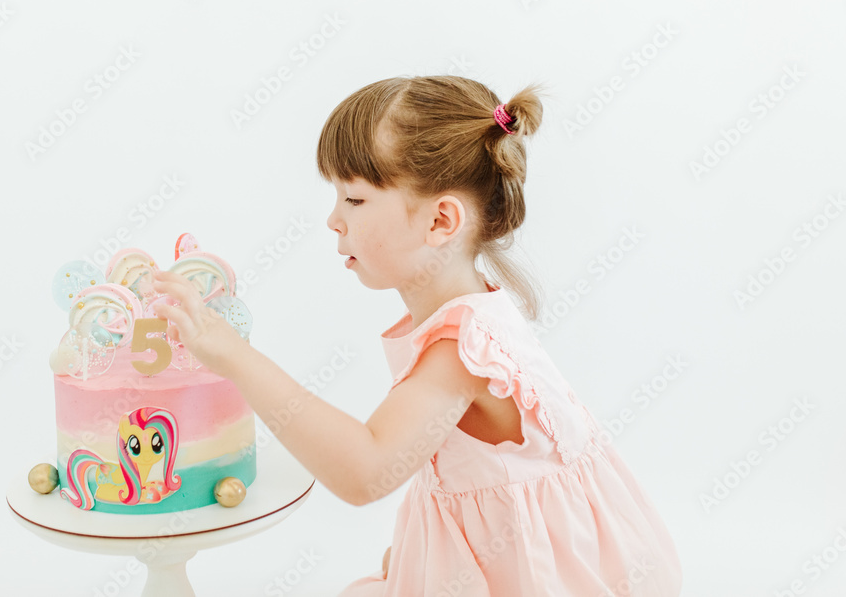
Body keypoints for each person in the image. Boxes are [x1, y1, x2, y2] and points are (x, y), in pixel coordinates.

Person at [151, 75, 683, 595]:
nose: (333, 221)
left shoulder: (464, 351)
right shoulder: (472, 315)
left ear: (440, 221)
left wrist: (237, 358)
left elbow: (366, 470)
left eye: (354, 200)